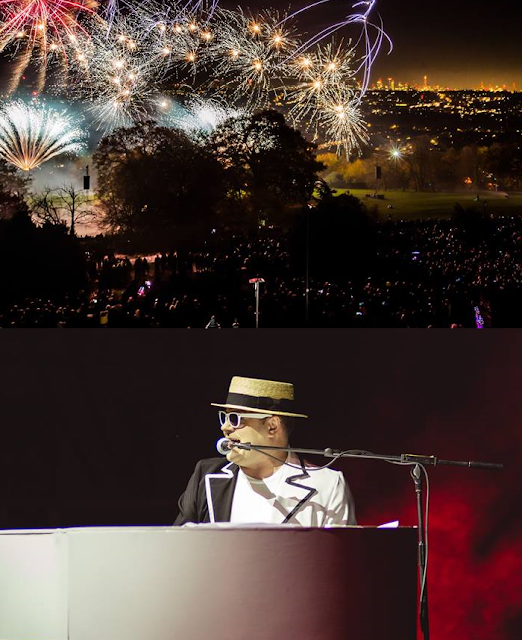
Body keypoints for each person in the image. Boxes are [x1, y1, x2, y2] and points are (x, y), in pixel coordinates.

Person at [174, 376, 356, 526]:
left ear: (272, 426)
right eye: (225, 417)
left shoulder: (327, 485)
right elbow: (178, 547)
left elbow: (340, 559)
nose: (226, 427)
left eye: (236, 418)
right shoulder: (206, 476)